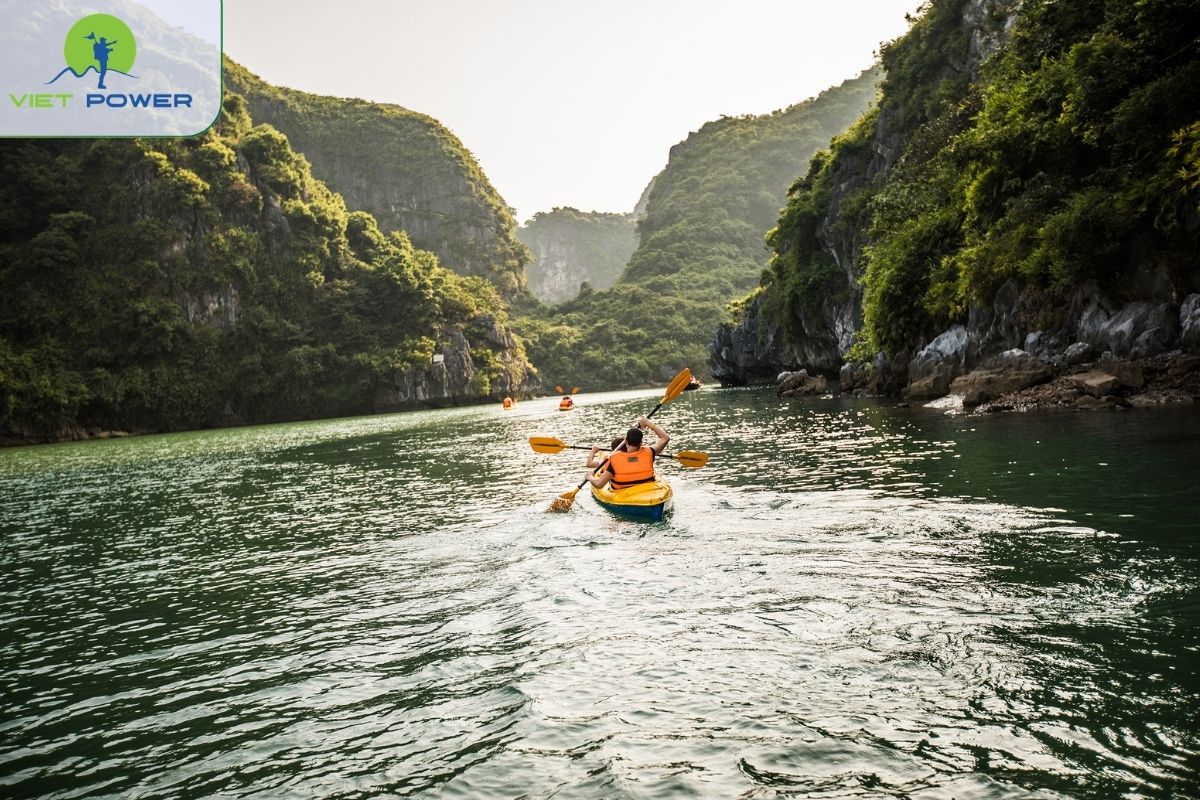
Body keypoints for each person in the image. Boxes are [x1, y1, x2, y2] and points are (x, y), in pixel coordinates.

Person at [584, 417, 669, 490]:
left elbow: (599, 484)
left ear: (626, 441)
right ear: (641, 443)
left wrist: (590, 477)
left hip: (625, 494)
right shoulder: (650, 452)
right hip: (648, 492)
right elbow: (665, 438)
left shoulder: (613, 459)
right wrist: (648, 422)